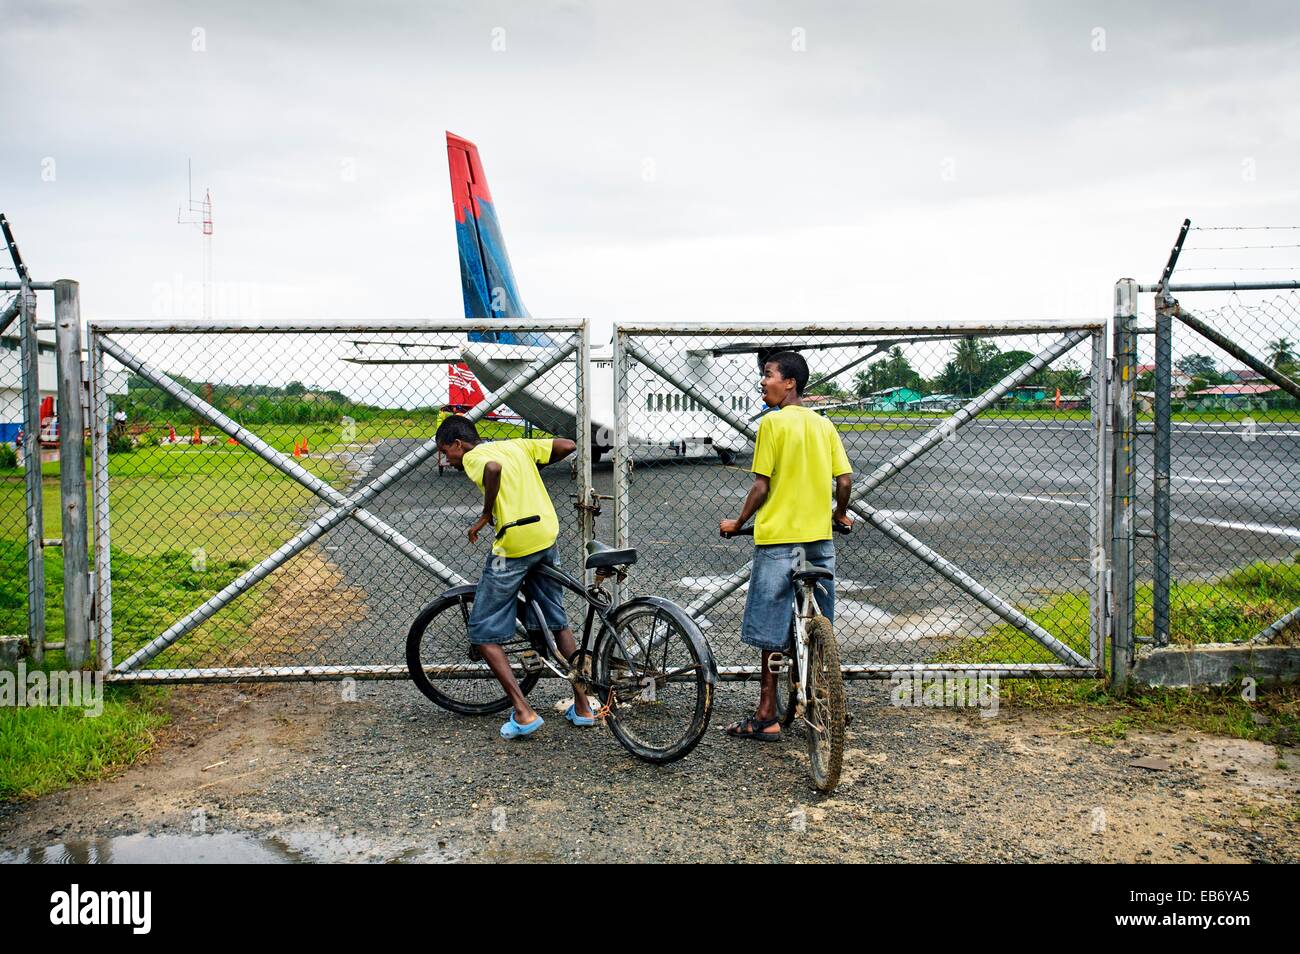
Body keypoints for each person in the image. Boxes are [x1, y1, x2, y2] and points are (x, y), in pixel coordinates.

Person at [434, 414, 596, 739]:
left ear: (457, 443)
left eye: (444, 451)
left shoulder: (474, 457)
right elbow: (567, 445)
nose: (446, 459)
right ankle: (583, 706)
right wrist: (528, 473)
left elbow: (492, 470)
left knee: (481, 630)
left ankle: (523, 712)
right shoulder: (516, 446)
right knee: (557, 621)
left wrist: (485, 513)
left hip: (513, 545)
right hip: (546, 534)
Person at [719, 351, 853, 741]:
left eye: (769, 375)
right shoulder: (824, 425)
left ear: (789, 382)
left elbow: (761, 486)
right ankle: (827, 704)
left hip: (779, 542)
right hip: (817, 542)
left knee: (771, 632)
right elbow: (843, 480)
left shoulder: (772, 424)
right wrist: (839, 514)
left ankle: (766, 714)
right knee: (818, 624)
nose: (763, 382)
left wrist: (738, 522)